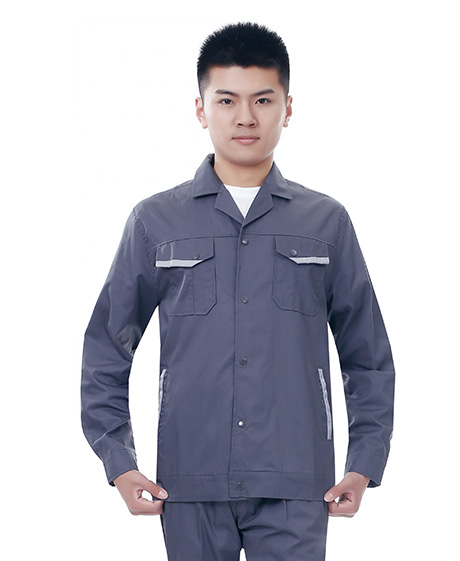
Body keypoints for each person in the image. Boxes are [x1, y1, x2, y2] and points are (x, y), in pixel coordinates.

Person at [81, 22, 395, 561]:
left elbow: (367, 356)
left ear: (288, 109)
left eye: (263, 100)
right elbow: (107, 348)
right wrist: (118, 460)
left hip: (298, 481)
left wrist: (364, 460)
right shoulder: (156, 221)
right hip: (189, 479)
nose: (245, 117)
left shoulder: (326, 222)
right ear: (200, 109)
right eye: (226, 100)